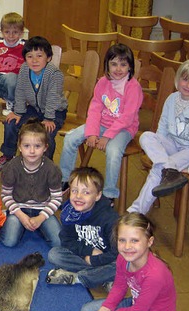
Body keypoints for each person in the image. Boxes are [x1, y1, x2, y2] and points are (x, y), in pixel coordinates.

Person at [79, 212, 184, 311]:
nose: (127, 246)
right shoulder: (123, 258)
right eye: (122, 240)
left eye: (134, 240)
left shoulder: (155, 275)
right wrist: (106, 309)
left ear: (149, 242)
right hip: (137, 304)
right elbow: (119, 286)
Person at [128, 59, 189, 214]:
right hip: (173, 144)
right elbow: (163, 126)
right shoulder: (172, 98)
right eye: (185, 79)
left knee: (158, 169)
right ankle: (169, 169)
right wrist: (160, 148)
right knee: (146, 136)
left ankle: (136, 212)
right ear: (178, 79)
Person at [59, 44, 143, 205]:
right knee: (70, 139)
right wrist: (92, 132)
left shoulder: (133, 87)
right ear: (107, 65)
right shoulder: (103, 82)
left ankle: (109, 194)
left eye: (123, 64)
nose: (118, 69)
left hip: (123, 129)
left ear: (130, 67)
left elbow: (127, 117)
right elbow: (95, 108)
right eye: (114, 64)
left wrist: (106, 136)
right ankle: (66, 180)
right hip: (101, 124)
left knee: (113, 151)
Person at [0, 36, 67, 172]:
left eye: (39, 56)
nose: (34, 60)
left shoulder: (55, 74)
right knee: (10, 123)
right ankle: (8, 156)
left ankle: (45, 166)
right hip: (34, 108)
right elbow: (19, 91)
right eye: (30, 56)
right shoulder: (25, 69)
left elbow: (53, 98)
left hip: (54, 111)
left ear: (48, 58)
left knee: (46, 133)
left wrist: (48, 118)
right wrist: (18, 112)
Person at [46, 167, 119, 290]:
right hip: (86, 257)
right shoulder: (70, 214)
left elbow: (117, 253)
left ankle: (78, 278)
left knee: (126, 264)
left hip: (108, 258)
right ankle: (102, 276)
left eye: (86, 192)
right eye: (74, 191)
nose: (78, 196)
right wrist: (89, 252)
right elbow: (67, 241)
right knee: (54, 255)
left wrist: (96, 260)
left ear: (98, 195)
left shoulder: (110, 219)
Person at [0, 119, 62, 248]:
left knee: (59, 242)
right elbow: (6, 195)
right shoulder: (12, 167)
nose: (32, 151)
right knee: (9, 241)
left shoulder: (52, 169)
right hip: (19, 209)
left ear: (45, 147)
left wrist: (41, 217)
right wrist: (20, 215)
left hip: (43, 209)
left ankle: (36, 225)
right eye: (27, 146)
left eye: (37, 146)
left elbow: (57, 197)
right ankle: (12, 217)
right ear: (20, 147)